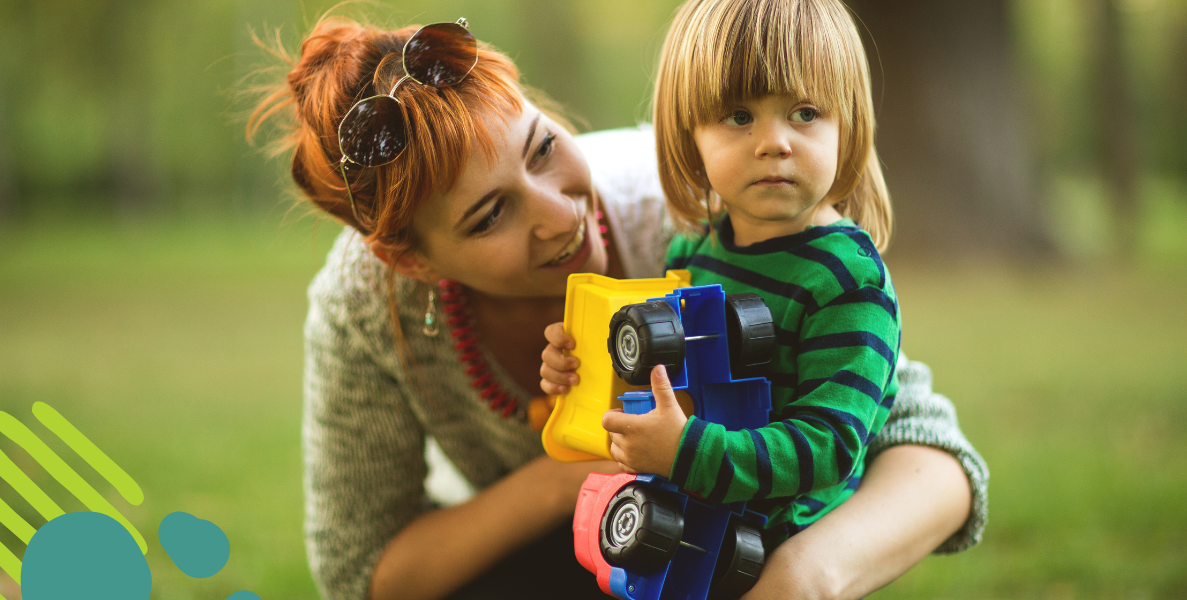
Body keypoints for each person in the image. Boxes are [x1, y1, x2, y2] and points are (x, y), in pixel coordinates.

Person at [246, 12, 988, 600]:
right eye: (489, 216)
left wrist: (807, 575)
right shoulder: (365, 308)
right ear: (412, 262)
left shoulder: (707, 202)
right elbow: (362, 572)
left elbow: (921, 440)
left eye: (542, 148)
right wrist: (575, 464)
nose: (560, 214)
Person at [543, 0, 905, 554]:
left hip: (781, 542)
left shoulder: (847, 280)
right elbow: (667, 378)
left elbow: (829, 445)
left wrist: (687, 453)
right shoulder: (694, 247)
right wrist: (584, 369)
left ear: (847, 123)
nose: (774, 142)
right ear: (690, 137)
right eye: (738, 117)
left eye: (805, 112)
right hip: (692, 519)